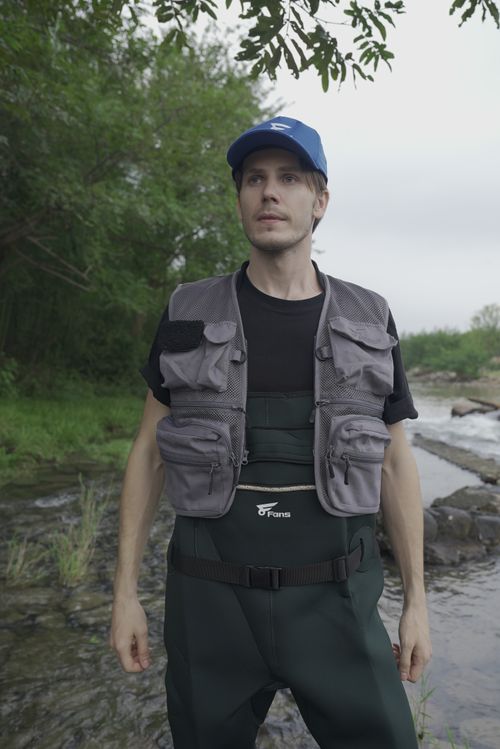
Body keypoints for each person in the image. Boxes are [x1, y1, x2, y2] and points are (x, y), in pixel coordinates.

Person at [110, 116, 432, 749]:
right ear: (239, 199)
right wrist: (124, 593)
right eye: (254, 179)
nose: (270, 193)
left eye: (289, 178)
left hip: (338, 604)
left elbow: (395, 463)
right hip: (209, 609)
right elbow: (148, 453)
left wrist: (417, 602)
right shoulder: (187, 311)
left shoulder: (370, 316)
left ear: (320, 200)